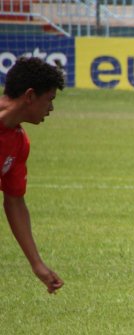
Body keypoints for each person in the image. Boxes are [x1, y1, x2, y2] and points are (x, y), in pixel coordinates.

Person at [1, 57, 65, 294]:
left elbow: (15, 201)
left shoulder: (18, 142)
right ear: (30, 96)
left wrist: (37, 265)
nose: (51, 108)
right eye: (49, 100)